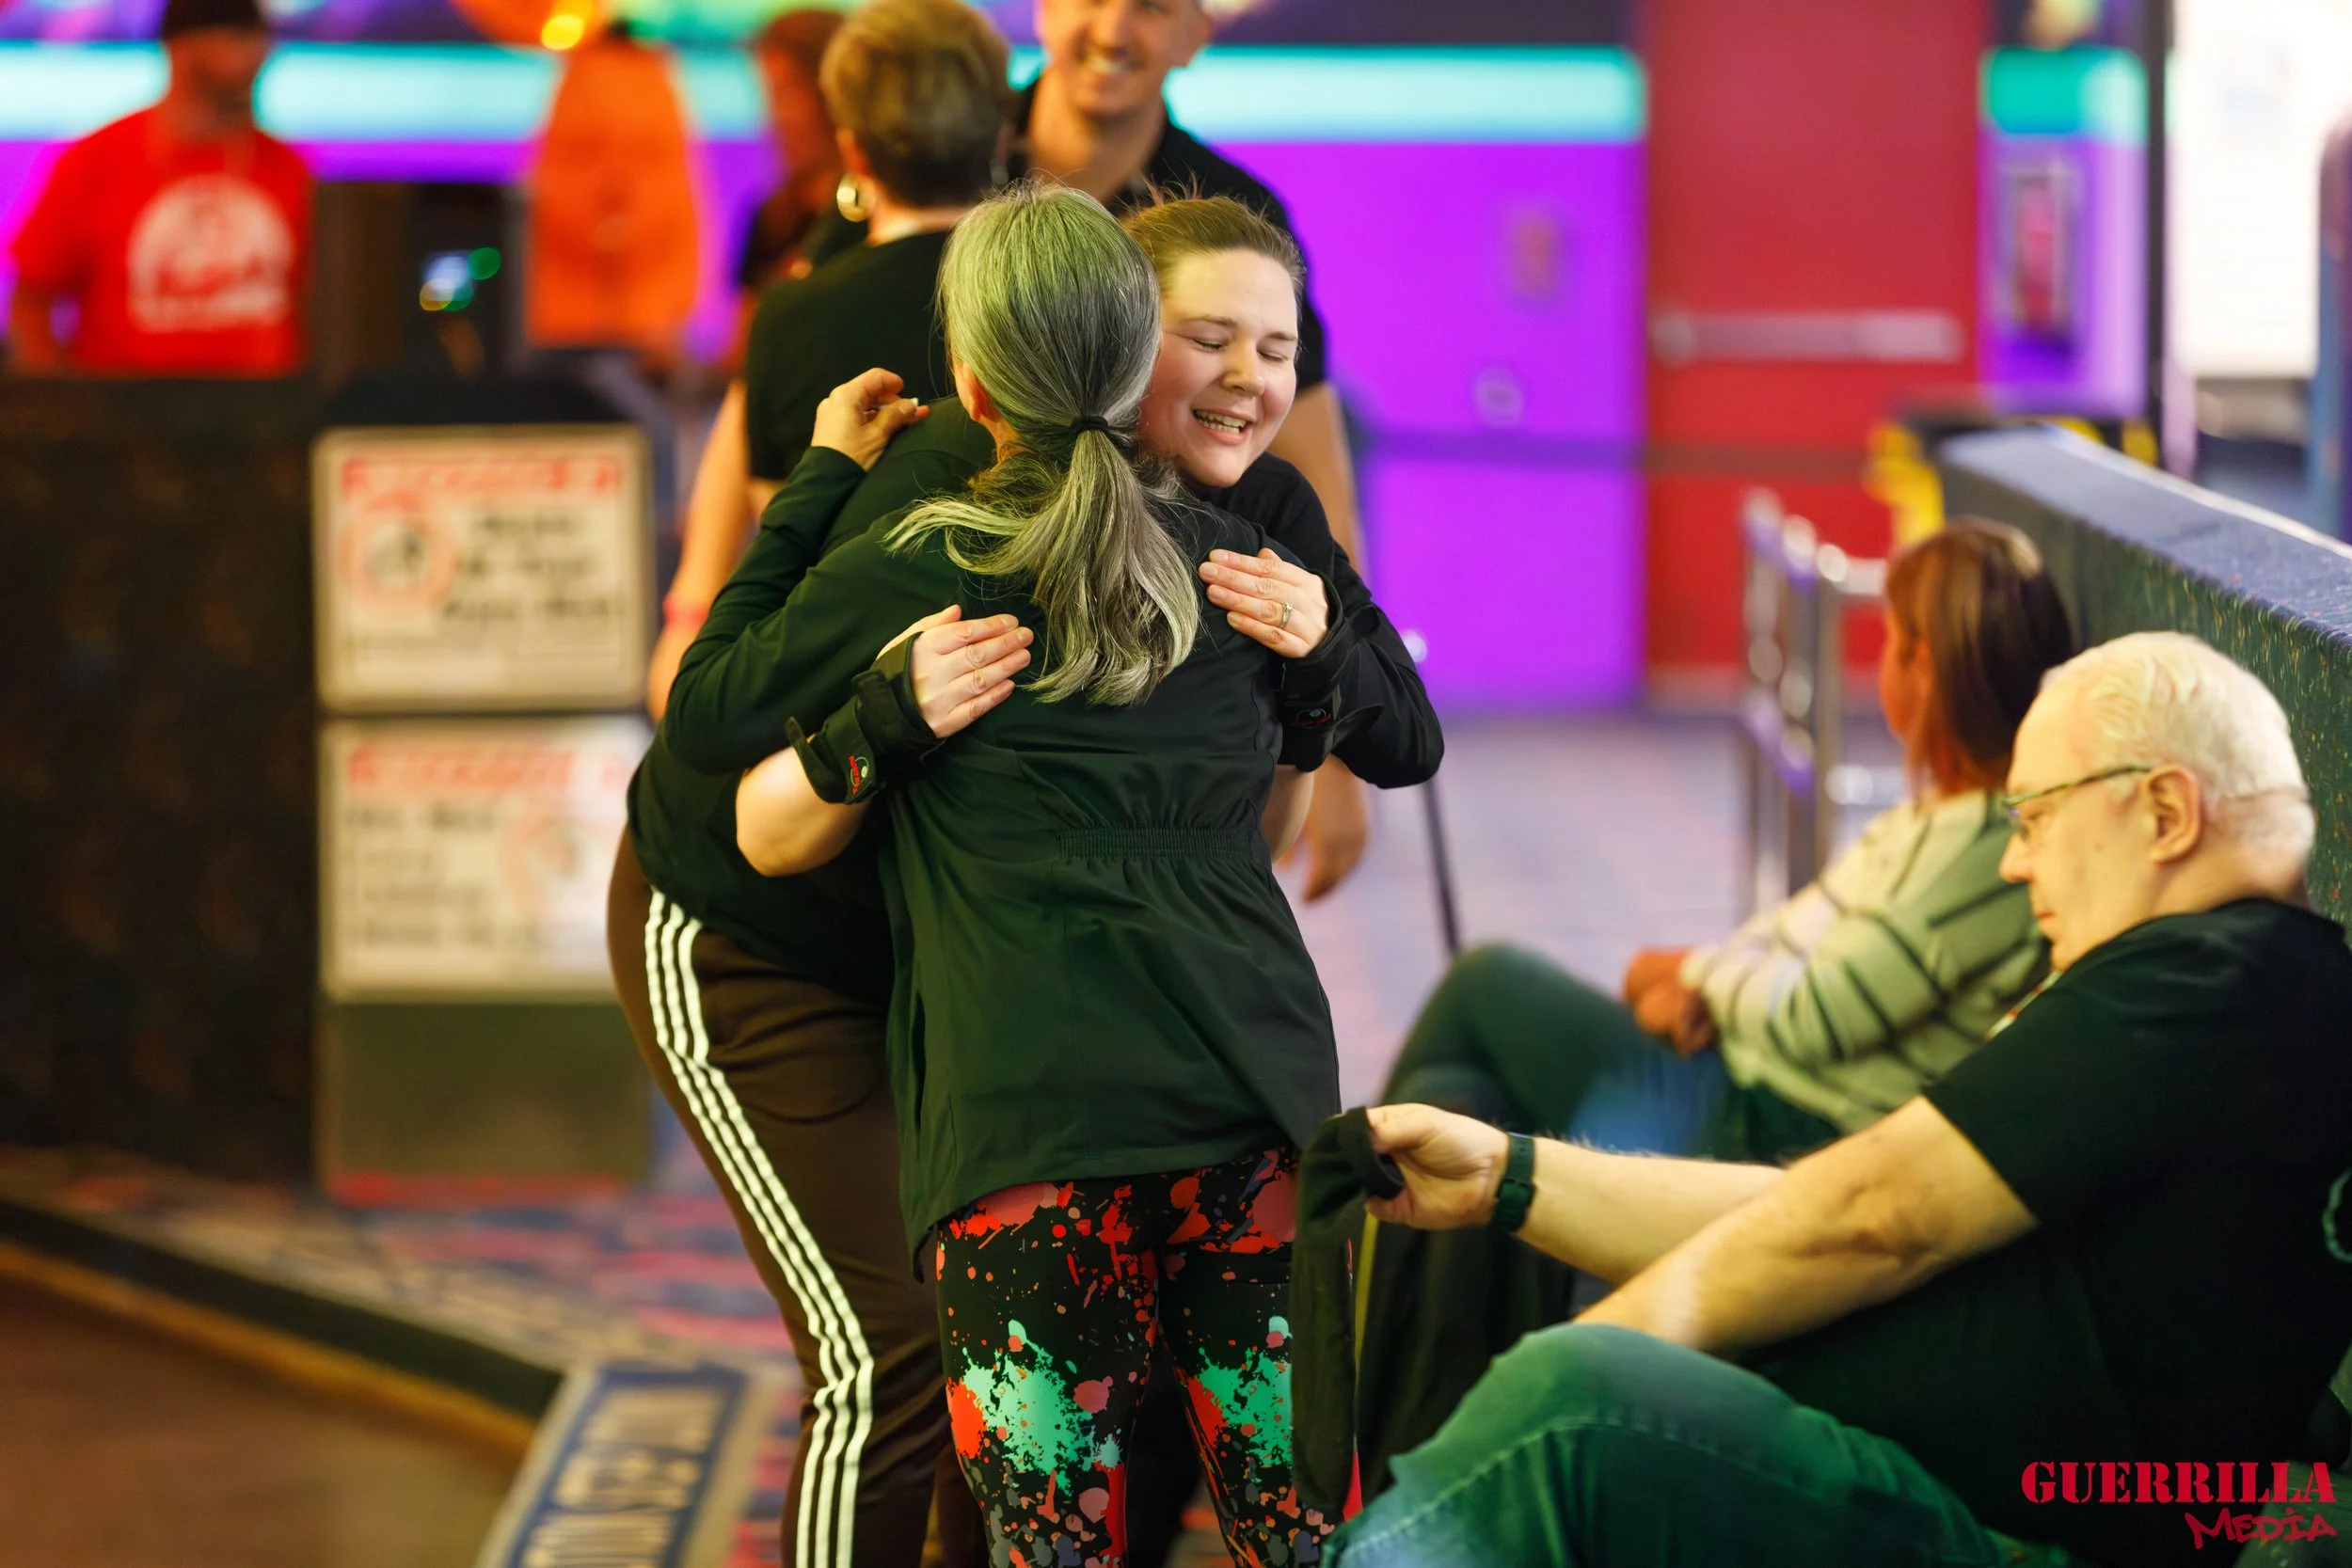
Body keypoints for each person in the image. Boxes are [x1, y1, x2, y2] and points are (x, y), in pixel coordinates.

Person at [612, 191, 1435, 1565]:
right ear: (1135, 355)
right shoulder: (1244, 550)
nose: (1246, 378)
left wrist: (820, 492)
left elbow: (708, 712)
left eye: (1274, 348)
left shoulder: (944, 545)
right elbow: (1398, 742)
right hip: (1243, 1102)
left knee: (1056, 1538)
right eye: (1212, 339)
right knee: (1304, 1530)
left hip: (1035, 1124)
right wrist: (1317, 666)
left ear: (979, 379)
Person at [1336, 632, 2352, 1568]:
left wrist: (1611, 1340)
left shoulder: (2216, 979)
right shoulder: (2200, 990)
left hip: (2014, 1533)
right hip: (1922, 1473)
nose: (2014, 858)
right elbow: (1830, 1208)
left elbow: (1871, 1217)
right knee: (1503, 1215)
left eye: (2036, 815)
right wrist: (1510, 1177)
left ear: (2166, 811)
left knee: (1571, 1403)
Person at [803, 0, 1376, 898]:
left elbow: (1304, 465)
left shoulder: (1230, 215)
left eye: (1150, 7)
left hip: (1135, 694)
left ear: (1197, 33)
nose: (1112, 30)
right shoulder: (949, 150)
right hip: (922, 646)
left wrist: (1333, 737)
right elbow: (778, 376)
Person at [1388, 520, 2076, 1166]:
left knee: (1487, 979)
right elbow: (1789, 939)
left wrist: (1693, 977)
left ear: (1923, 667)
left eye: (1889, 638)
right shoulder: (1939, 816)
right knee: (1454, 1088)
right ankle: (1328, 1268)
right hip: (1746, 1075)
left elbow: (1819, 1013)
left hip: (1781, 1128)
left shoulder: (1988, 852)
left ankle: (1300, 1246)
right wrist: (1703, 989)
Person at [647, 0, 1009, 719]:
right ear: (1000, 137)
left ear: (856, 153)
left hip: (828, 704)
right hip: (1016, 673)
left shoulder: (792, 315)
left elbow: (779, 520)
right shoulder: (1045, 299)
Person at [7, 0, 310, 376]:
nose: (258, 56)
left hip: (269, 420)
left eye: (261, 39)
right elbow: (32, 300)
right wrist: (59, 408)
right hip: (124, 421)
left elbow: (321, 308)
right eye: (238, 37)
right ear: (183, 47)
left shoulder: (287, 166)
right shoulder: (98, 160)